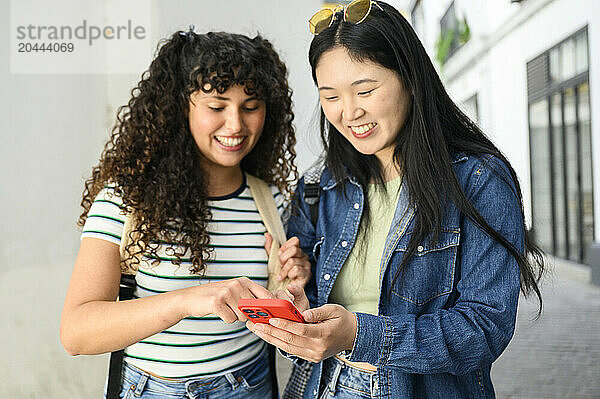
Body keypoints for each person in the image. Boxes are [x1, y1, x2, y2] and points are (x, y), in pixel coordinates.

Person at [246, 1, 546, 398]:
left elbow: (484, 329)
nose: (349, 112)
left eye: (365, 90)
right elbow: (310, 319)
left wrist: (359, 334)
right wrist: (296, 299)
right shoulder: (322, 184)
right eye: (330, 95)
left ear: (410, 78)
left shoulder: (478, 179)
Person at [60, 29, 311, 399]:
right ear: (182, 107)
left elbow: (286, 318)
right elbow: (76, 332)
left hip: (250, 386)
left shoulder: (273, 201)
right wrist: (187, 300)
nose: (236, 125)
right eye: (217, 106)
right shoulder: (126, 200)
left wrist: (294, 281)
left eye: (251, 106)